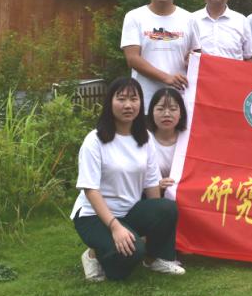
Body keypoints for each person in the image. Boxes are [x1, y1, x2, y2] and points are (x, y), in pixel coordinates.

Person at [72, 77, 185, 281]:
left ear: (141, 102)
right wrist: (115, 227)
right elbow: (90, 190)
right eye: (121, 99)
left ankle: (155, 258)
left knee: (166, 207)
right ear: (110, 102)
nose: (128, 105)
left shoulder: (145, 138)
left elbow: (151, 184)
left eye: (134, 99)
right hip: (94, 216)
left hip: (129, 211)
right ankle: (93, 255)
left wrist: (156, 222)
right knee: (132, 254)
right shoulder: (94, 140)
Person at [120, 0, 201, 111]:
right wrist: (166, 78)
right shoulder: (134, 17)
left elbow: (197, 56)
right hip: (144, 100)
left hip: (179, 100)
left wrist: (192, 60)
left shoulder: (189, 19)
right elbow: (132, 59)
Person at [147, 86, 188, 197]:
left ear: (181, 113)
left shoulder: (188, 139)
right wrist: (155, 186)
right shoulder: (144, 139)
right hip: (152, 199)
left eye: (173, 109)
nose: (166, 114)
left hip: (184, 197)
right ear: (152, 112)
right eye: (160, 109)